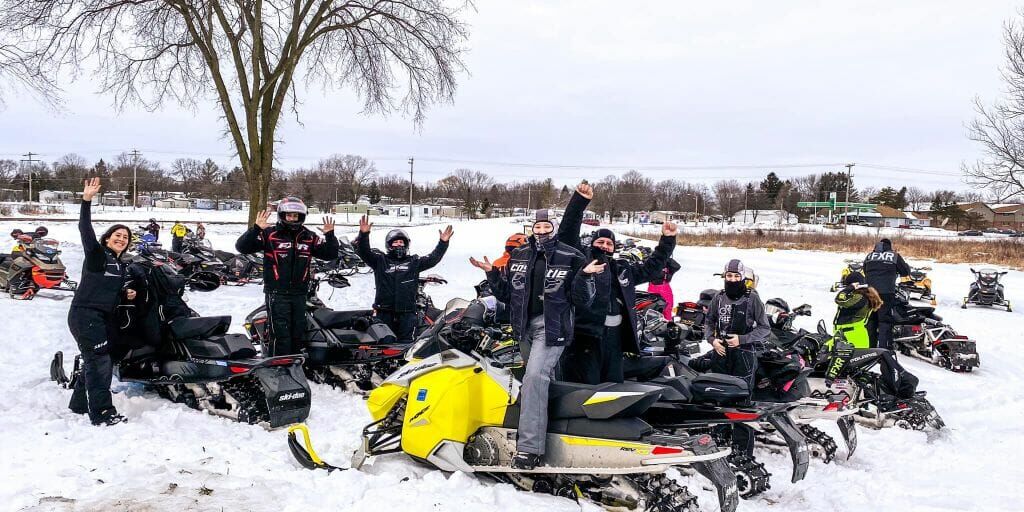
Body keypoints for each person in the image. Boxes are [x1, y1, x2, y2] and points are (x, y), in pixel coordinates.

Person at [469, 209, 601, 470]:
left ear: (554, 228)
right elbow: (508, 294)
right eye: (537, 227)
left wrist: (585, 276)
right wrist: (492, 274)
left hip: (550, 328)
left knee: (534, 378)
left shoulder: (571, 255)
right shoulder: (520, 254)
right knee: (540, 382)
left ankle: (529, 449)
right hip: (523, 328)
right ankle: (556, 432)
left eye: (546, 227)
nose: (541, 232)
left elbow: (582, 299)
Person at [556, 181, 679, 384]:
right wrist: (579, 201)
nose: (605, 246)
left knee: (614, 387)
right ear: (592, 244)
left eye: (609, 243)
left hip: (615, 341)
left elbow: (652, 268)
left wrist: (667, 241)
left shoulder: (622, 268)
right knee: (588, 387)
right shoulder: (580, 261)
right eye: (600, 242)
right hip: (585, 338)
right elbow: (567, 233)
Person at [66, 177, 135, 426]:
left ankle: (79, 404)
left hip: (103, 317)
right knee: (99, 361)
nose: (121, 239)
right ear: (107, 239)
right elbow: (85, 230)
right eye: (117, 235)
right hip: (85, 315)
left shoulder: (120, 264)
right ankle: (103, 413)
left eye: (125, 237)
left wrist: (125, 294)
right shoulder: (97, 255)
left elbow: (107, 290)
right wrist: (86, 201)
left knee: (96, 360)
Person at [236, 197, 338, 356]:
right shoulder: (270, 234)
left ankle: (295, 363)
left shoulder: (309, 237)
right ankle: (279, 365)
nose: (292, 219)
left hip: (300, 293)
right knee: (280, 334)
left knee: (298, 333)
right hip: (277, 293)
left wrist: (330, 236)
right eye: (289, 215)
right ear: (282, 215)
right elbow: (242, 247)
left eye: (295, 216)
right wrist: (255, 229)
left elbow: (330, 254)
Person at [355, 217, 454, 342]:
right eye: (395, 242)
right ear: (389, 245)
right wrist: (364, 235)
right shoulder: (380, 261)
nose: (399, 244)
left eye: (401, 242)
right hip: (384, 311)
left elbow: (433, 258)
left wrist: (443, 243)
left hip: (407, 313)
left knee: (407, 344)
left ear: (406, 245)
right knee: (383, 343)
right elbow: (364, 252)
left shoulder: (414, 262)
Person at [688, 259, 770, 393]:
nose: (732, 279)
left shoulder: (752, 298)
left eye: (737, 276)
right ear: (725, 276)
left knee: (742, 393)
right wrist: (712, 340)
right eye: (729, 275)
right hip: (720, 353)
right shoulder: (719, 297)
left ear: (742, 277)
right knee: (718, 392)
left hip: (744, 355)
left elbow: (765, 328)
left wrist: (741, 339)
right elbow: (709, 321)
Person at [862, 238, 911, 350]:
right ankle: (884, 349)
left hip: (869, 293)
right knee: (885, 321)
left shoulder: (869, 256)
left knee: (871, 320)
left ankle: (870, 348)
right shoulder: (894, 256)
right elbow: (905, 272)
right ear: (890, 246)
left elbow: (865, 271)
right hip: (886, 292)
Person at [832, 271, 883, 349]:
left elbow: (840, 299)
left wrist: (850, 288)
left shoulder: (859, 297)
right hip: (850, 334)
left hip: (851, 336)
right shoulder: (862, 296)